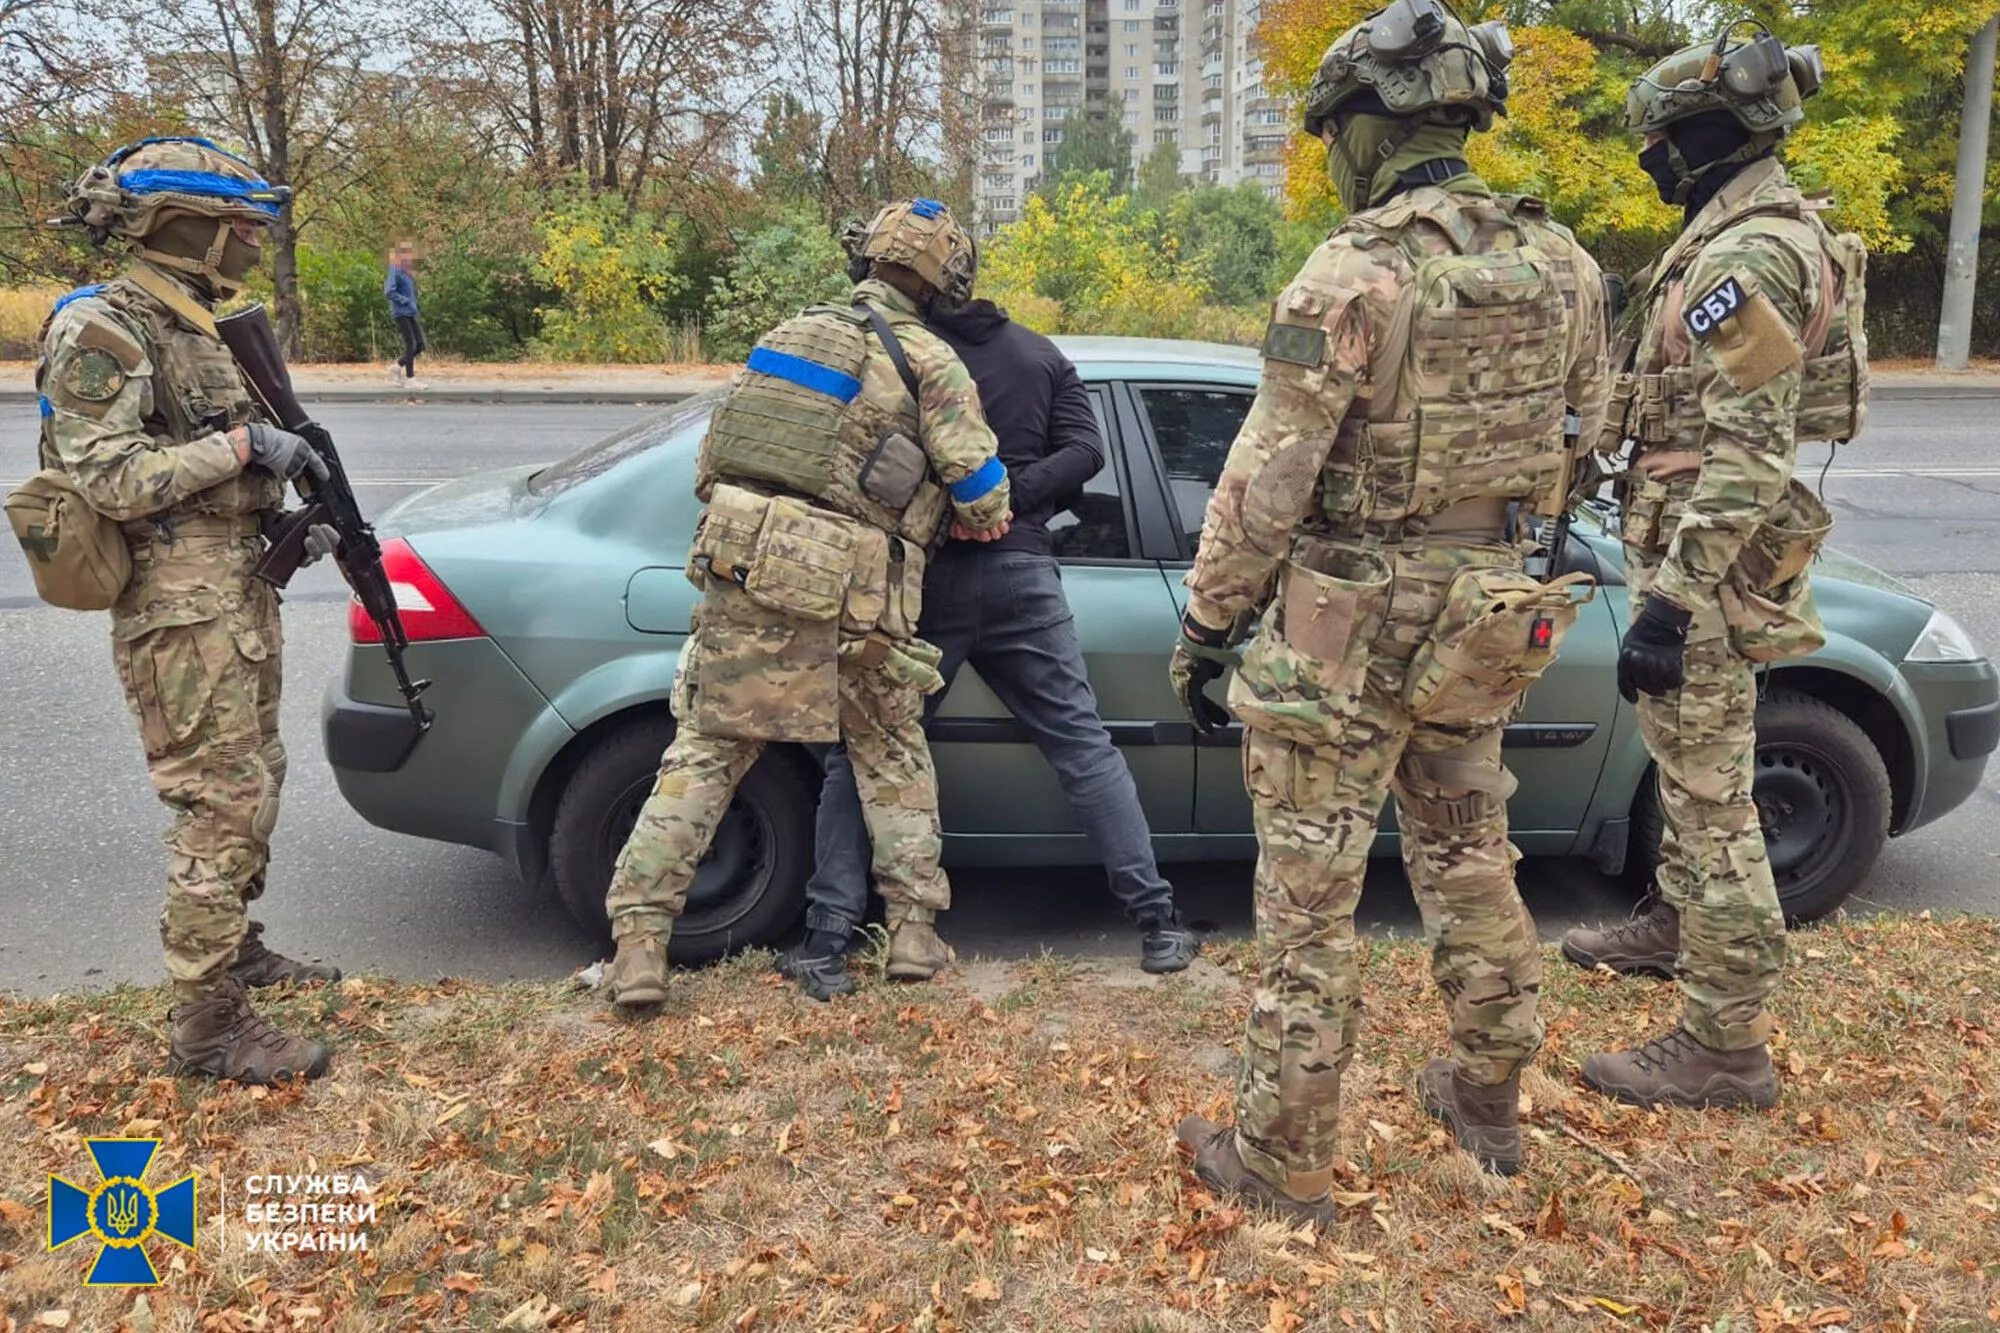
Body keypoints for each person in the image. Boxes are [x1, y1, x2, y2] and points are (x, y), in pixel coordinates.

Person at [1167, 0, 1610, 1211]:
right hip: (1483, 610)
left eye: (1333, 131)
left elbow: (1265, 481)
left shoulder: (1352, 270)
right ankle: (1486, 1099)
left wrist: (1207, 626)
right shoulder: (1562, 264)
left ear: (1368, 127)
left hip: (1342, 618)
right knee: (1470, 855)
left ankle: (1279, 1160)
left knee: (1308, 896)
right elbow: (1585, 431)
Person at [600, 199, 1011, 1010]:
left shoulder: (782, 339)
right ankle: (915, 933)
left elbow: (714, 464)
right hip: (858, 594)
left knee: (708, 755)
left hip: (747, 572)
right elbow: (985, 497)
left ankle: (640, 946)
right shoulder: (929, 359)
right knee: (891, 754)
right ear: (942, 279)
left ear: (868, 258)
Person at [1560, 27, 1864, 1110]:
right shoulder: (1725, 237)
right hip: (1697, 546)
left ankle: (1722, 1046)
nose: (1648, 161)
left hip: (1709, 563)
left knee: (1709, 799)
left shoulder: (1748, 256)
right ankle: (1676, 923)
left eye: (1659, 142)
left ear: (1706, 136)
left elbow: (1745, 450)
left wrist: (1672, 605)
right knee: (1692, 773)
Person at [783, 241, 1200, 1001]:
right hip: (1022, 581)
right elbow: (1087, 450)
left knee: (865, 755)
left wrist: (976, 506)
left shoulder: (903, 355)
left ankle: (825, 939)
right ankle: (1159, 921)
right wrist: (1016, 502)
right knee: (1083, 747)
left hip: (924, 582)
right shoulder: (1039, 356)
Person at [36, 136, 344, 1084]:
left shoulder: (196, 322)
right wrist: (248, 449)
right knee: (218, 805)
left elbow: (213, 452)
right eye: (241, 226)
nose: (254, 242)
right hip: (178, 604)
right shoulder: (105, 327)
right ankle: (207, 1026)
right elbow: (108, 474)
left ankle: (236, 953)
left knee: (257, 780)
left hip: (233, 587)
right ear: (189, 229)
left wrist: (291, 510)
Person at [385, 241, 425, 387]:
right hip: (401, 312)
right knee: (411, 344)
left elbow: (411, 292)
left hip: (410, 312)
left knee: (419, 345)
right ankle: (410, 378)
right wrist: (406, 301)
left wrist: (415, 305)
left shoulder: (407, 271)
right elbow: (389, 291)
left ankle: (396, 367)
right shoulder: (395, 268)